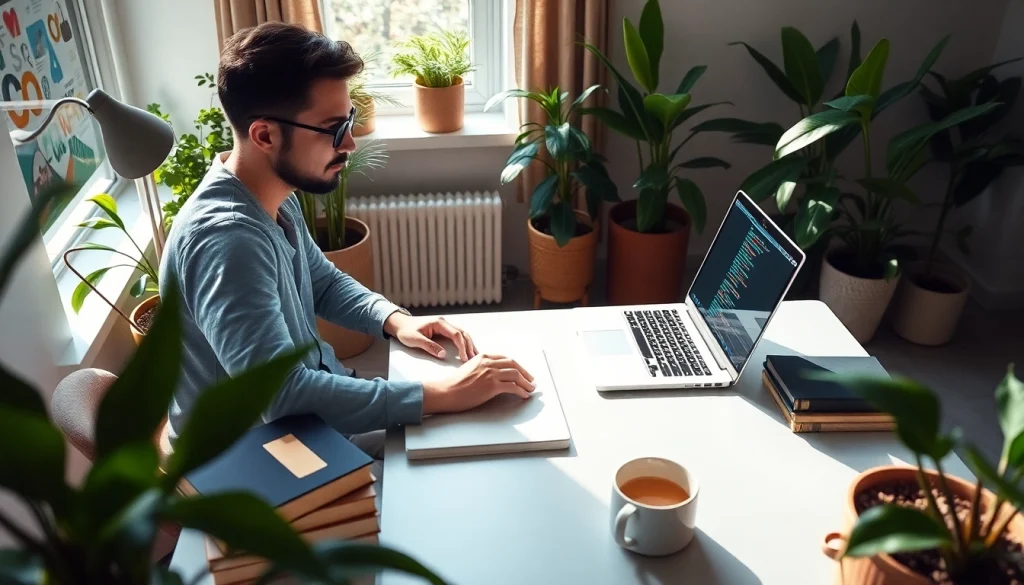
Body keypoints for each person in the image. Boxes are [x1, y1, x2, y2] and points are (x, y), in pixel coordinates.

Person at [158, 22, 535, 455]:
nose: (351, 144)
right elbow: (283, 396)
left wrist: (395, 320)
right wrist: (442, 394)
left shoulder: (272, 195)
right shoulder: (227, 242)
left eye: (349, 120)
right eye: (335, 128)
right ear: (265, 135)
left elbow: (322, 282)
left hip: (302, 431)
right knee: (466, 459)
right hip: (252, 461)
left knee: (479, 438)